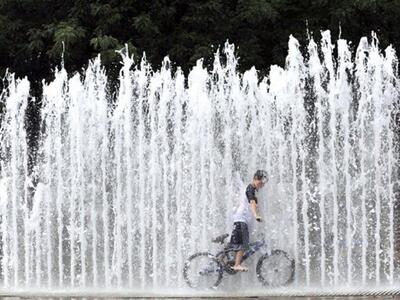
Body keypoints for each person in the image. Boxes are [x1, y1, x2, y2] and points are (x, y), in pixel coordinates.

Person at [229, 169, 268, 272]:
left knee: (240, 243)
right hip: (241, 219)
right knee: (243, 243)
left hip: (241, 219)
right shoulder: (250, 189)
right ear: (255, 179)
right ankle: (237, 264)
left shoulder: (252, 189)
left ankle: (228, 261)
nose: (262, 184)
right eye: (261, 182)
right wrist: (256, 215)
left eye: (263, 183)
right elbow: (252, 203)